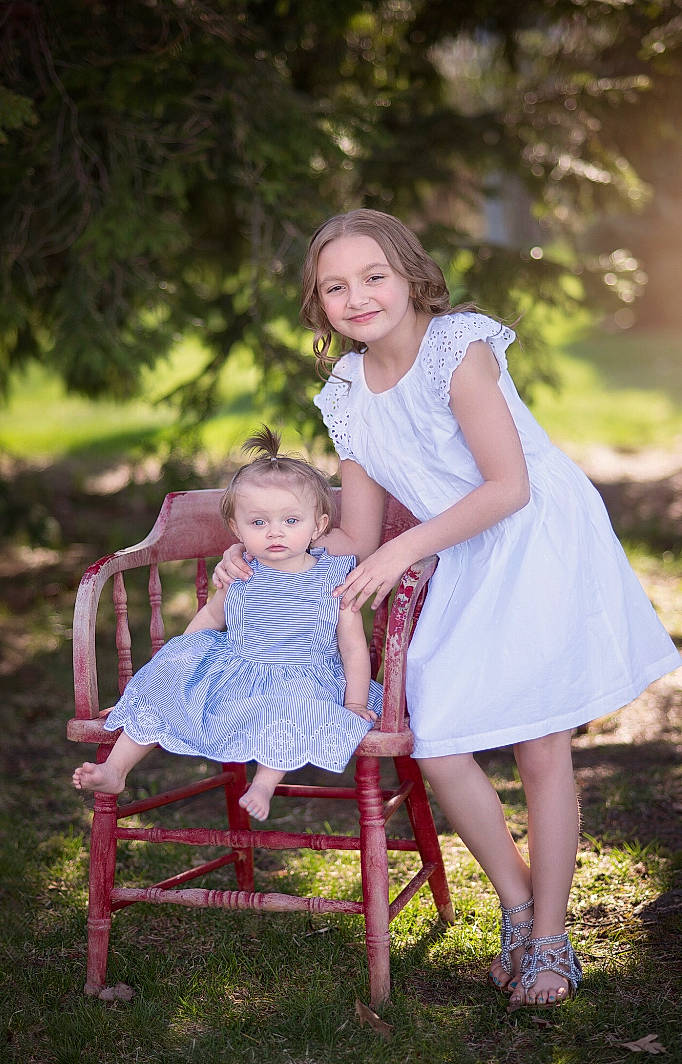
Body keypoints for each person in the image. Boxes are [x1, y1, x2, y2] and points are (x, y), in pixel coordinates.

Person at [214, 208, 681, 1006]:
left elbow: (510, 485)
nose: (357, 297)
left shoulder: (455, 349)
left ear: (409, 276)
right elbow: (357, 532)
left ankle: (549, 943)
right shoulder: (348, 393)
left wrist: (403, 550)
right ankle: (521, 906)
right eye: (336, 286)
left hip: (538, 540)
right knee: (437, 742)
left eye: (373, 277)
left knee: (540, 744)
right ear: (319, 304)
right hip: (465, 550)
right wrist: (264, 551)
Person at [73, 426, 382, 821]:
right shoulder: (240, 571)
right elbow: (212, 616)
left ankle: (265, 784)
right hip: (235, 670)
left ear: (318, 526)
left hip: (302, 676)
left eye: (290, 520)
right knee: (165, 678)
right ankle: (116, 770)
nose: (275, 532)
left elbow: (353, 647)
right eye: (258, 523)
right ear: (236, 529)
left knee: (291, 712)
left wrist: (355, 703)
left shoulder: (333, 577)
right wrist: (181, 661)